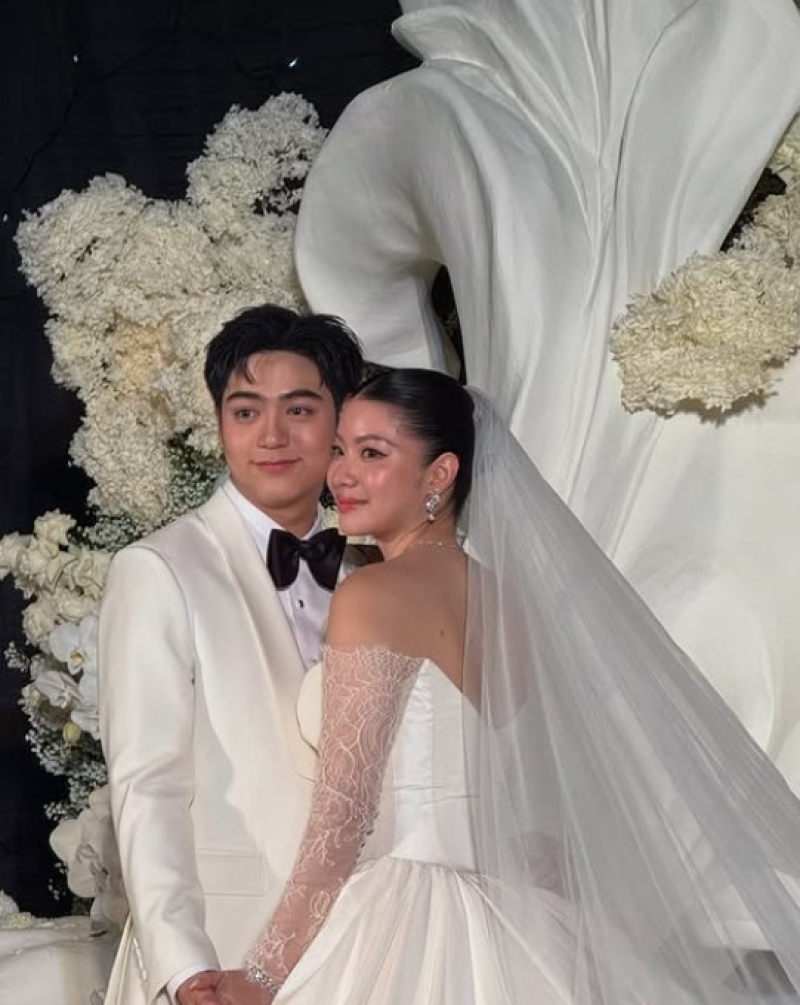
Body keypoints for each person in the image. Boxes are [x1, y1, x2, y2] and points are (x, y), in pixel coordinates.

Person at [214, 366, 800, 1005]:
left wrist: (264, 974)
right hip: (516, 917)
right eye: (339, 450)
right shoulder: (508, 603)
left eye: (372, 453)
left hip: (403, 918)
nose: (341, 475)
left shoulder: (373, 595)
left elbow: (345, 812)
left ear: (439, 474)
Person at [98, 305, 365, 1005]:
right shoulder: (158, 568)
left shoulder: (374, 574)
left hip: (363, 942)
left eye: (299, 410)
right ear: (220, 423)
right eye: (246, 412)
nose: (271, 435)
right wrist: (184, 964)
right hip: (221, 948)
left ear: (340, 420)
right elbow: (147, 783)